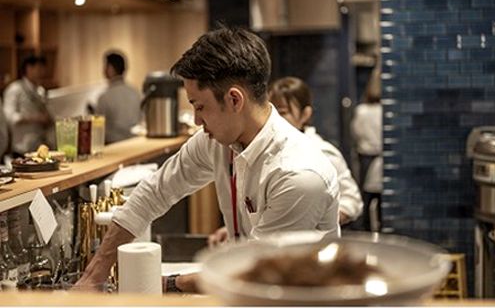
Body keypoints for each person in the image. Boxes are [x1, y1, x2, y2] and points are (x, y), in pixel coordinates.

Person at [75, 26, 339, 293]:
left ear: (235, 100)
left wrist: (168, 284)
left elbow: (254, 270)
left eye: (200, 106)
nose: (196, 120)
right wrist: (94, 275)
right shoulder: (217, 141)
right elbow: (154, 193)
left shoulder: (298, 174)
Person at [268, 76, 363, 225]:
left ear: (305, 114)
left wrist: (320, 222)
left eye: (283, 112)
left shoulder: (322, 151)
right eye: (271, 113)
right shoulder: (268, 150)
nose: (275, 120)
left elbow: (352, 200)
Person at [351, 68, 383, 231]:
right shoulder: (386, 112)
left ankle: (364, 229)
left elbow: (356, 133)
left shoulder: (361, 111)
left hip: (366, 156)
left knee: (365, 197)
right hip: (383, 155)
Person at [3, 55, 54, 155]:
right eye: (39, 68)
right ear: (28, 68)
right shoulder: (15, 89)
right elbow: (9, 117)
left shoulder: (40, 91)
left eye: (43, 68)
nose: (42, 72)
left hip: (41, 146)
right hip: (22, 149)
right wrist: (34, 118)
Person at [95, 50, 141, 144]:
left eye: (105, 66)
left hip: (113, 145)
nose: (103, 70)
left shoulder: (105, 97)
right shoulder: (135, 92)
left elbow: (97, 131)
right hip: (135, 143)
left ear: (111, 69)